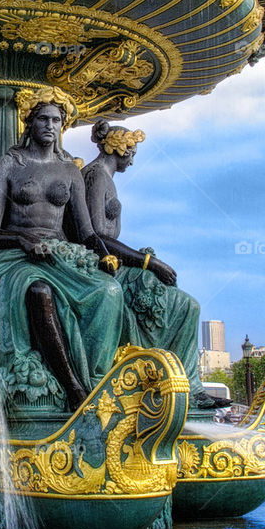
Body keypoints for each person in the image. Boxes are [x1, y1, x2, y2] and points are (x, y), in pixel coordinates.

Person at [0, 87, 122, 413]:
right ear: (29, 123)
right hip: (13, 255)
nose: (50, 125)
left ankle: (99, 378)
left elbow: (86, 231)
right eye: (43, 118)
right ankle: (72, 385)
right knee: (39, 291)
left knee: (110, 292)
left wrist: (105, 254)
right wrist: (21, 240)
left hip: (59, 254)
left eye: (57, 120)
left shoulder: (70, 171)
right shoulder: (8, 165)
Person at [81, 120, 207, 405]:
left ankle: (181, 383)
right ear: (119, 148)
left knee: (184, 303)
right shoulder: (97, 176)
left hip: (115, 264)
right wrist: (149, 263)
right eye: (133, 153)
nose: (133, 160)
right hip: (102, 265)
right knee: (186, 305)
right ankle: (179, 384)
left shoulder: (102, 176)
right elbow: (97, 235)